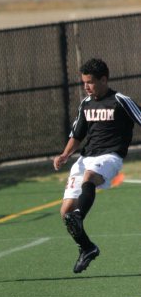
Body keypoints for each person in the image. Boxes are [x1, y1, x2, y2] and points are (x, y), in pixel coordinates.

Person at [53, 58, 141, 274]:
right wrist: (65, 154)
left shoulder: (120, 100)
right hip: (85, 158)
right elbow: (77, 134)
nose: (86, 87)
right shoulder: (86, 103)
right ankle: (87, 248)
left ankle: (80, 216)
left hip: (110, 157)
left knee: (90, 178)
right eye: (84, 82)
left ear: (104, 79)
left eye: (90, 82)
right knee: (65, 212)